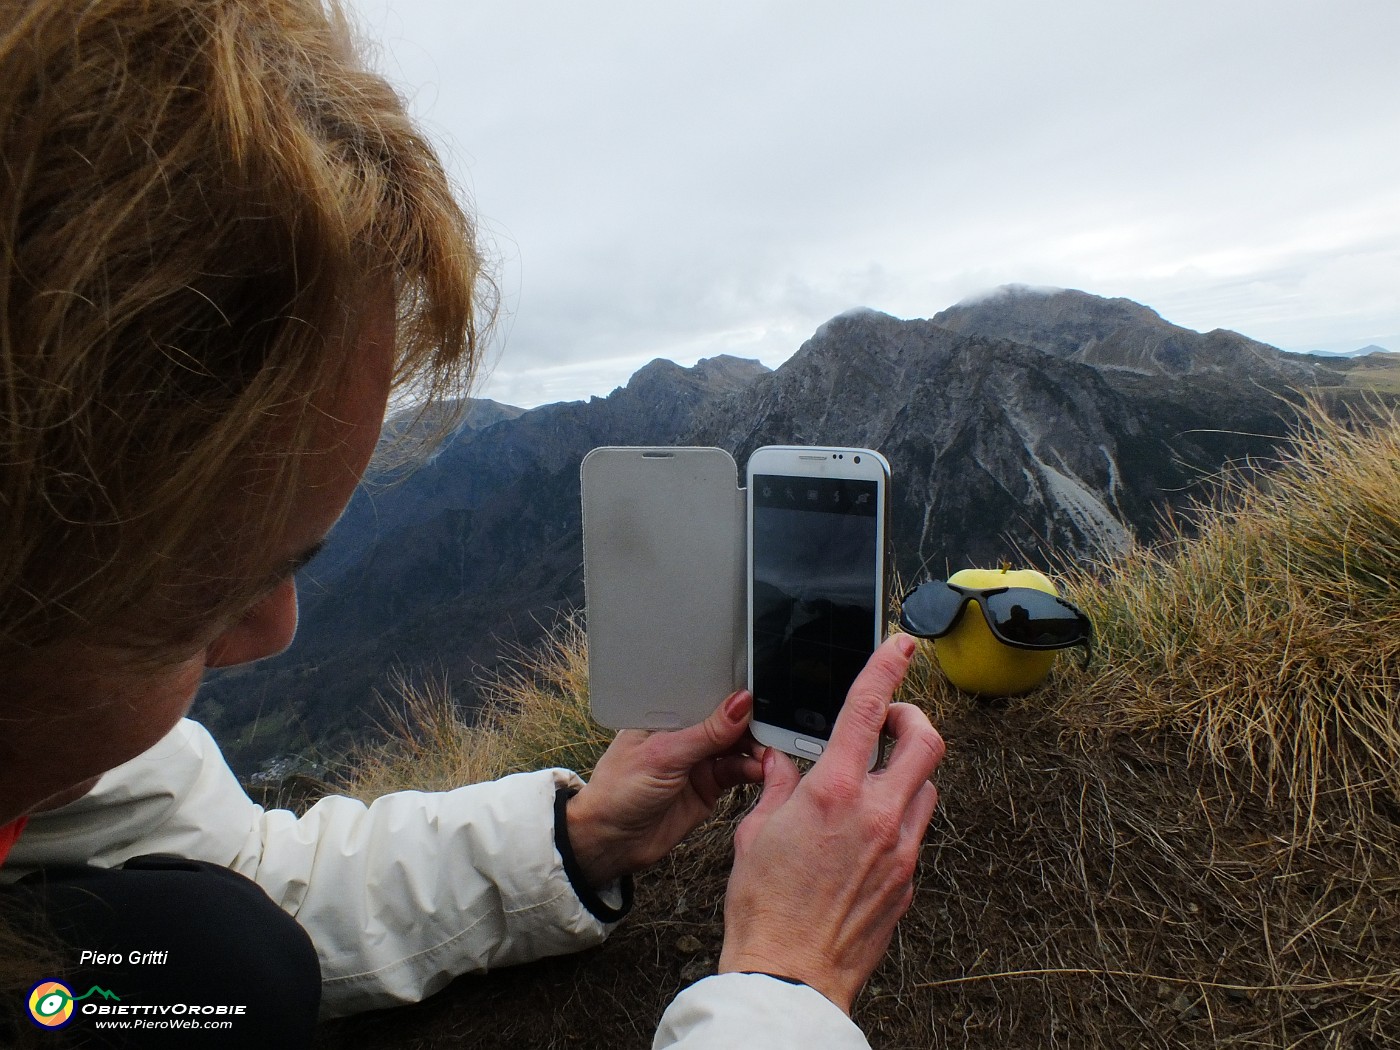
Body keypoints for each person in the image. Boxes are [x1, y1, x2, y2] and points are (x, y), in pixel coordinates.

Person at [0, 1, 946, 1047]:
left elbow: (245, 879)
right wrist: (781, 986)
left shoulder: (59, 781)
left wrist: (576, 839)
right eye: (202, 591)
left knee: (218, 955)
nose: (275, 628)